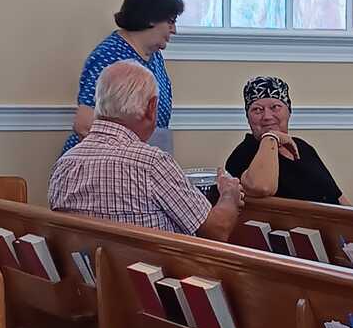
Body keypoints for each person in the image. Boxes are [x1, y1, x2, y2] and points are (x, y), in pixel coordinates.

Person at [49, 60, 245, 241]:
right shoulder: (151, 164)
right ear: (151, 108)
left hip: (86, 268)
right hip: (152, 268)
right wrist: (229, 195)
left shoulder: (64, 164)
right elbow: (216, 230)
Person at [60, 0, 184, 155]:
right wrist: (129, 159)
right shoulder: (108, 56)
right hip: (103, 165)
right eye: (170, 21)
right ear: (151, 18)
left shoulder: (155, 57)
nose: (174, 30)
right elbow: (84, 125)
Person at [224, 76, 350, 205]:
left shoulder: (302, 147)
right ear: (248, 117)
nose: (267, 116)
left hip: (334, 216)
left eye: (275, 107)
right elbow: (262, 187)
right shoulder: (242, 154)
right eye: (257, 110)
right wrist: (271, 137)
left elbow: (338, 197)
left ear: (289, 112)